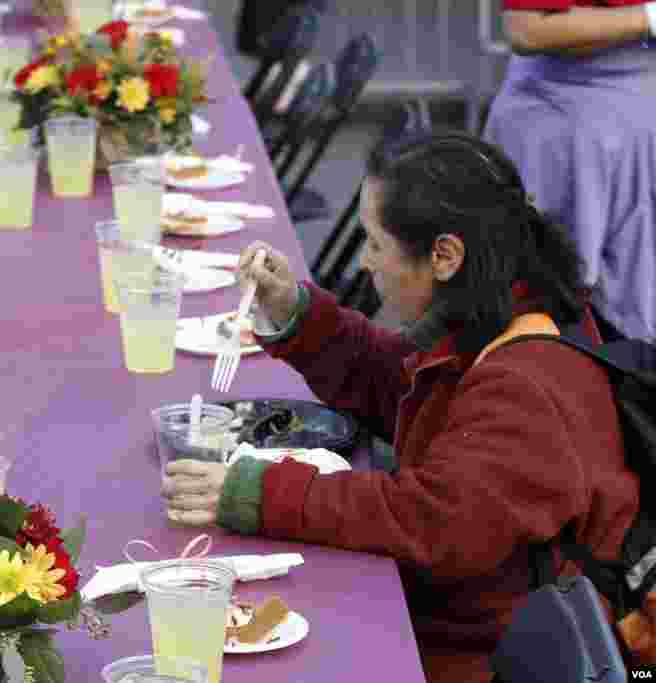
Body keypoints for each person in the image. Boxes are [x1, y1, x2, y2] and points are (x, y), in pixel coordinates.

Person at [161, 133, 640, 683]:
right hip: (466, 621)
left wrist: (256, 492)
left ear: (444, 255)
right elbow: (407, 390)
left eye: (375, 244)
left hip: (487, 657)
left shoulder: (529, 382)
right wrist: (298, 314)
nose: (366, 263)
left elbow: (431, 520)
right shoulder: (503, 310)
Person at [483, 0, 656, 342]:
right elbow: (527, 29)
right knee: (542, 308)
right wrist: (649, 17)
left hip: (637, 127)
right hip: (561, 131)